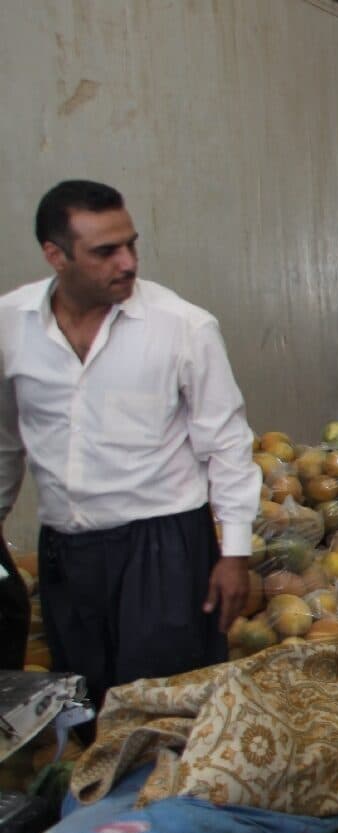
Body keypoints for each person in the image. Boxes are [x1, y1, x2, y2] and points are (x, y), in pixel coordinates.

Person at [0, 180, 259, 709]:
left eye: (131, 245)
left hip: (163, 547)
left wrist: (234, 553)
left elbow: (227, 443)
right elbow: (5, 438)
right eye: (105, 251)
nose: (127, 262)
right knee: (87, 702)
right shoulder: (11, 326)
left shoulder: (182, 327)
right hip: (67, 552)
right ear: (56, 255)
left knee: (163, 708)